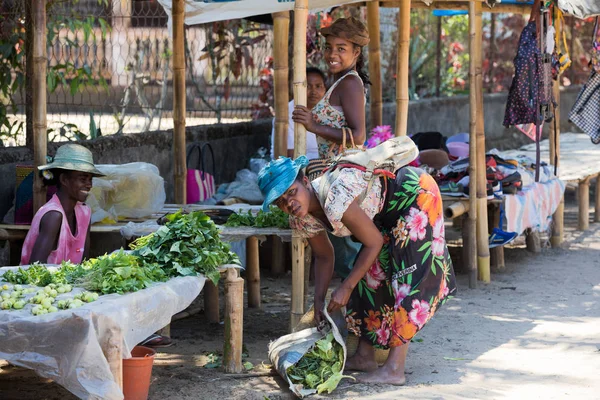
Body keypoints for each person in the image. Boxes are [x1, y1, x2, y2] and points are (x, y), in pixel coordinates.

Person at [257, 156, 457, 385]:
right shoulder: (301, 219)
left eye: (291, 192)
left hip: (415, 194)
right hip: (385, 216)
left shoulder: (334, 197)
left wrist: (346, 286)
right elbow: (324, 256)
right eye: (280, 202)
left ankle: (394, 368)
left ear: (304, 181)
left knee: (406, 278)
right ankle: (365, 356)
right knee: (368, 277)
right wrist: (319, 301)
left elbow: (373, 242)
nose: (288, 203)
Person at [292, 16, 370, 157]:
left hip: (344, 171)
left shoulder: (350, 83)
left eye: (341, 49)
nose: (332, 54)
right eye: (328, 47)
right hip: (335, 169)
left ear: (356, 52)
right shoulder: (341, 82)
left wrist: (314, 126)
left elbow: (358, 137)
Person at [21, 144, 104, 265]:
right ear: (64, 179)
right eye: (83, 179)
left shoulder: (85, 212)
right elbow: (35, 268)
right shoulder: (53, 215)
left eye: (90, 179)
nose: (89, 185)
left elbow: (84, 262)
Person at [270, 67, 327, 160]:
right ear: (298, 88)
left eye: (318, 86)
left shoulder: (327, 110)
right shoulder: (287, 113)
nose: (313, 92)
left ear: (325, 89)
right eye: (308, 86)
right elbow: (290, 155)